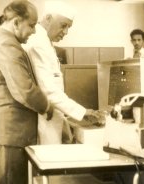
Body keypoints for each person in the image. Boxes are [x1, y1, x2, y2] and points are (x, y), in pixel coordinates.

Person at [0, 1, 53, 184]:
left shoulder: (2, 40)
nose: (34, 31)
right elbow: (24, 90)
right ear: (16, 22)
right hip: (6, 133)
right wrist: (47, 107)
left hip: (5, 133)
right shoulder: (6, 45)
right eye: (32, 25)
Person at [23, 1, 104, 144]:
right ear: (48, 18)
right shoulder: (38, 43)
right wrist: (82, 112)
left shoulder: (45, 42)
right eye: (63, 25)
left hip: (52, 116)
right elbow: (48, 90)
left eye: (68, 27)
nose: (66, 32)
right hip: (43, 120)